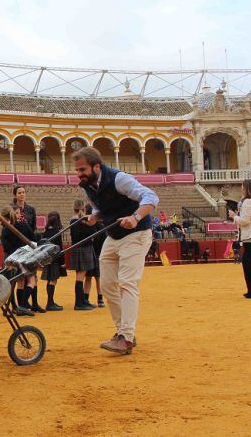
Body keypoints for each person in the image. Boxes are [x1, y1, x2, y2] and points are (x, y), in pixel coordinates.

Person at [73, 147, 158, 355]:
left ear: (96, 166)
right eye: (77, 170)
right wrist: (95, 216)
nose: (79, 174)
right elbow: (100, 207)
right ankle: (123, 333)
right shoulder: (87, 186)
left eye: (82, 169)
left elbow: (151, 197)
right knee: (107, 283)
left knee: (127, 282)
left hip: (136, 233)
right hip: (114, 234)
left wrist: (135, 217)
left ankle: (126, 337)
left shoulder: (119, 179)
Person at [0, 206, 36, 316]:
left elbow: (5, 246)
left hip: (12, 258)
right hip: (24, 256)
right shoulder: (23, 225)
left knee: (15, 283)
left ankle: (15, 307)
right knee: (31, 281)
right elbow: (33, 237)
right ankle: (22, 305)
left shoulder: (5, 229)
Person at [69, 200, 97, 311]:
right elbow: (91, 233)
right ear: (83, 208)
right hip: (84, 248)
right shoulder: (81, 221)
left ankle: (82, 301)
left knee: (80, 276)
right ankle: (79, 303)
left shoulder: (74, 220)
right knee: (80, 277)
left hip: (78, 248)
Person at [39, 211, 65, 311]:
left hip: (47, 259)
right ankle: (50, 303)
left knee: (50, 280)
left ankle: (51, 301)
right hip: (55, 260)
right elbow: (60, 249)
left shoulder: (46, 232)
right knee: (53, 280)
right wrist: (62, 262)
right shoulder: (56, 233)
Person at [84, 204, 106, 308]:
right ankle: (100, 299)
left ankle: (85, 298)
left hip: (89, 253)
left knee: (88, 277)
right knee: (98, 277)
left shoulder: (85, 225)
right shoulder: (101, 226)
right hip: (98, 253)